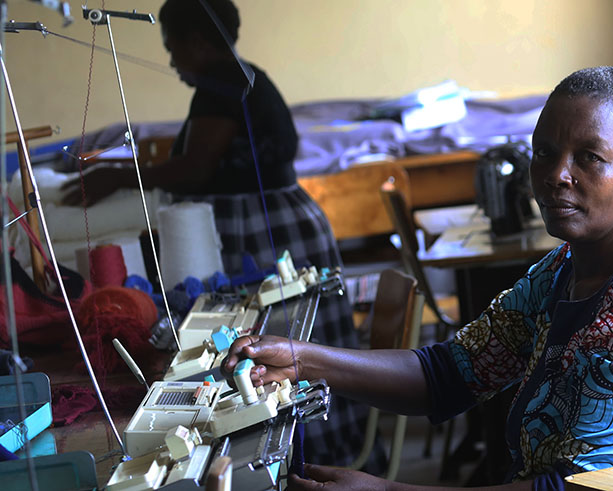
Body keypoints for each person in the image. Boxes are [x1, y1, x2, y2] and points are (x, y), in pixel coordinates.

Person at [223, 66, 613, 490]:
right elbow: (447, 375)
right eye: (543, 152)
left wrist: (385, 490)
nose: (557, 174)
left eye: (589, 157)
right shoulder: (565, 270)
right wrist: (302, 359)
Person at [60, 0, 385, 474]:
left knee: (287, 349)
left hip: (267, 227)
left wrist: (117, 175)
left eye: (173, 49)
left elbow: (196, 167)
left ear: (197, 41)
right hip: (277, 219)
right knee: (285, 347)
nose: (172, 61)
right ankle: (310, 460)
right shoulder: (239, 78)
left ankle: (312, 464)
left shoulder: (225, 86)